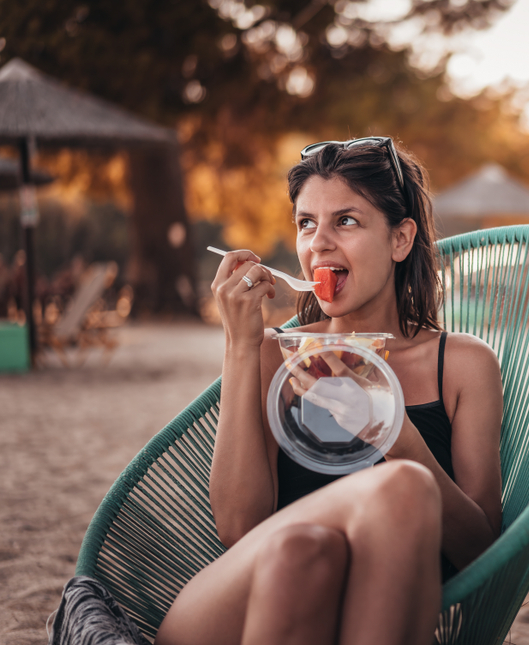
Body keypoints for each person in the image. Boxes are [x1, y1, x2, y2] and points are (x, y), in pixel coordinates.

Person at [156, 138, 503, 645]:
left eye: (346, 221)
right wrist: (240, 347)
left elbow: (483, 553)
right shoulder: (275, 355)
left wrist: (395, 435)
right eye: (306, 223)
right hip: (230, 606)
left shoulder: (462, 365)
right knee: (400, 489)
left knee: (306, 551)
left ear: (400, 240)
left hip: (312, 597)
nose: (318, 242)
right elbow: (239, 528)